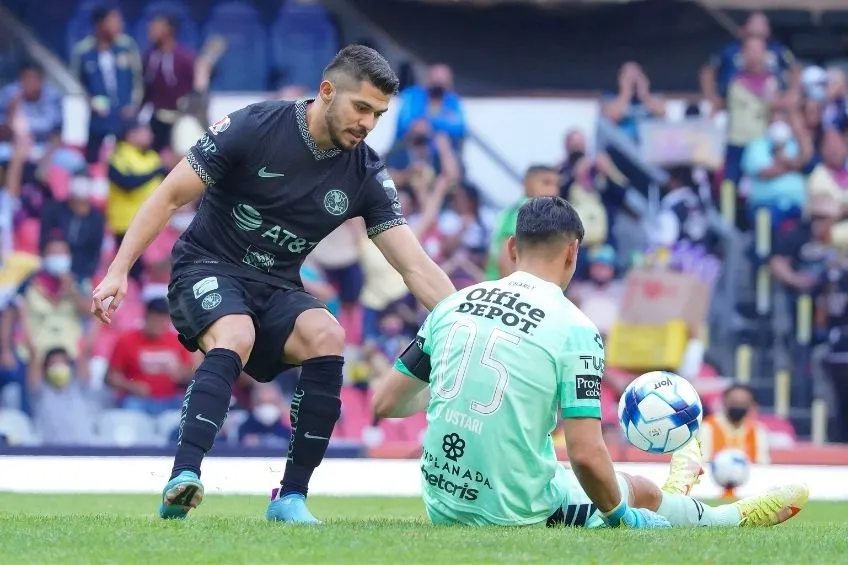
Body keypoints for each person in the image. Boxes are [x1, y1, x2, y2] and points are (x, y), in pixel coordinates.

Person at [90, 44, 455, 523]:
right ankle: (183, 477)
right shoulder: (254, 125)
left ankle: (290, 498)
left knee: (328, 335)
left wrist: (470, 321)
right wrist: (117, 270)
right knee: (235, 333)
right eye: (360, 107)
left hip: (277, 284)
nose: (368, 123)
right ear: (327, 92)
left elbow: (414, 265)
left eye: (378, 115)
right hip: (207, 266)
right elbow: (168, 196)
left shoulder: (364, 170)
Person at [372, 196, 808, 529]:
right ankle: (724, 520)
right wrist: (623, 518)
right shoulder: (574, 327)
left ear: (511, 247)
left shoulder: (453, 304)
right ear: (572, 253)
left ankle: (677, 495)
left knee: (580, 475)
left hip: (441, 503)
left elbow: (385, 403)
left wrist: (455, 382)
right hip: (513, 510)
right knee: (631, 489)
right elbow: (585, 453)